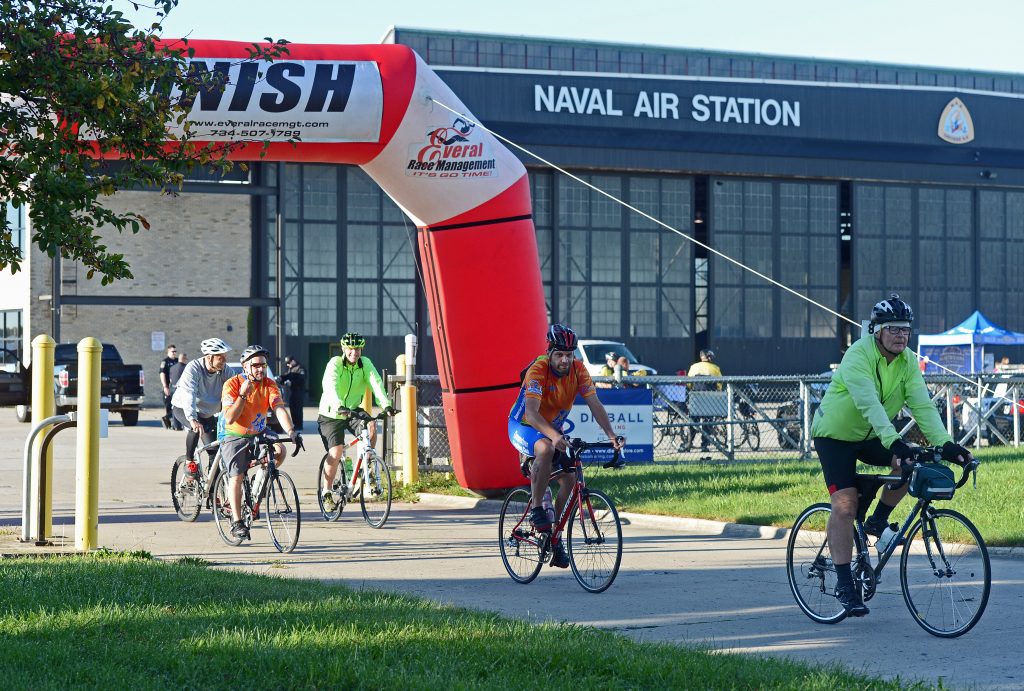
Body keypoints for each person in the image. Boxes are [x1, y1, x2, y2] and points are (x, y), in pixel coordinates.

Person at [810, 293, 973, 618]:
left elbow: (923, 406)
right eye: (893, 329)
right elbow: (868, 403)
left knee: (911, 460)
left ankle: (877, 521)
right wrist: (894, 440)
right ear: (876, 331)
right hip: (835, 435)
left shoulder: (908, 361)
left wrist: (947, 445)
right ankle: (845, 585)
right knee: (844, 505)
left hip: (872, 434)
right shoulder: (858, 355)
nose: (901, 335)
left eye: (905, 330)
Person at [507, 324, 625, 569]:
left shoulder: (579, 371)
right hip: (524, 425)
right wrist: (554, 436)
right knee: (546, 449)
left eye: (569, 355)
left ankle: (554, 536)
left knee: (570, 479)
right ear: (549, 352)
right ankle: (537, 510)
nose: (564, 360)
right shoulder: (538, 370)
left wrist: (612, 435)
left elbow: (595, 404)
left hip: (551, 429)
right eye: (559, 354)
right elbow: (531, 412)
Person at [221, 344, 303, 540]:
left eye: (263, 365)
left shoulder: (269, 384)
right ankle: (237, 522)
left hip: (259, 431)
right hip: (236, 434)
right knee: (237, 476)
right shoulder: (231, 384)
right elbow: (230, 418)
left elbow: (279, 408)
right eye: (256, 365)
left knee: (279, 451)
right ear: (245, 366)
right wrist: (242, 394)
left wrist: (291, 431)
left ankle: (258, 491)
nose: (260, 369)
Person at [318, 332, 395, 511]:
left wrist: (386, 405)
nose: (354, 352)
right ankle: (327, 492)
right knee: (336, 453)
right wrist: (338, 406)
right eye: (351, 349)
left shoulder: (365, 363)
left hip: (352, 410)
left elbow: (376, 383)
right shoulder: (335, 364)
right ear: (344, 349)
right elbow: (330, 387)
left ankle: (368, 464)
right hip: (332, 413)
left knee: (371, 425)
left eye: (358, 348)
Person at [171, 338, 234, 479]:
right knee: (196, 428)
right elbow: (189, 394)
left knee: (215, 452)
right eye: (221, 357)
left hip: (207, 412)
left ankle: (212, 494)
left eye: (225, 356)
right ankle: (189, 462)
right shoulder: (194, 368)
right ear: (209, 357)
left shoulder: (225, 370)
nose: (224, 360)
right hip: (183, 408)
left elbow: (236, 387)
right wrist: (192, 419)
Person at [687, 349, 722, 451]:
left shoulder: (693, 367)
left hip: (696, 398)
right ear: (709, 357)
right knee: (707, 423)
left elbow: (689, 384)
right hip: (709, 399)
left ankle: (689, 443)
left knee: (693, 422)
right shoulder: (715, 368)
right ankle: (704, 445)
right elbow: (719, 385)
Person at [279, 355, 307, 429]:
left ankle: (299, 425)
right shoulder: (291, 369)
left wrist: (292, 382)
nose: (288, 365)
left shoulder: (300, 368)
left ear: (293, 361)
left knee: (298, 409)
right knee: (292, 408)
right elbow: (287, 376)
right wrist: (281, 377)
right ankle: (294, 424)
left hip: (299, 392)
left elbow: (301, 379)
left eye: (288, 363)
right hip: (293, 392)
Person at [159, 344, 178, 430]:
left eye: (175, 351)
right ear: (168, 352)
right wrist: (165, 386)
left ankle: (174, 423)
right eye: (172, 351)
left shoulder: (178, 361)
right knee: (169, 406)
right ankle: (169, 422)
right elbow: (162, 374)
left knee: (177, 406)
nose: (174, 353)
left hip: (177, 388)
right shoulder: (165, 362)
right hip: (168, 387)